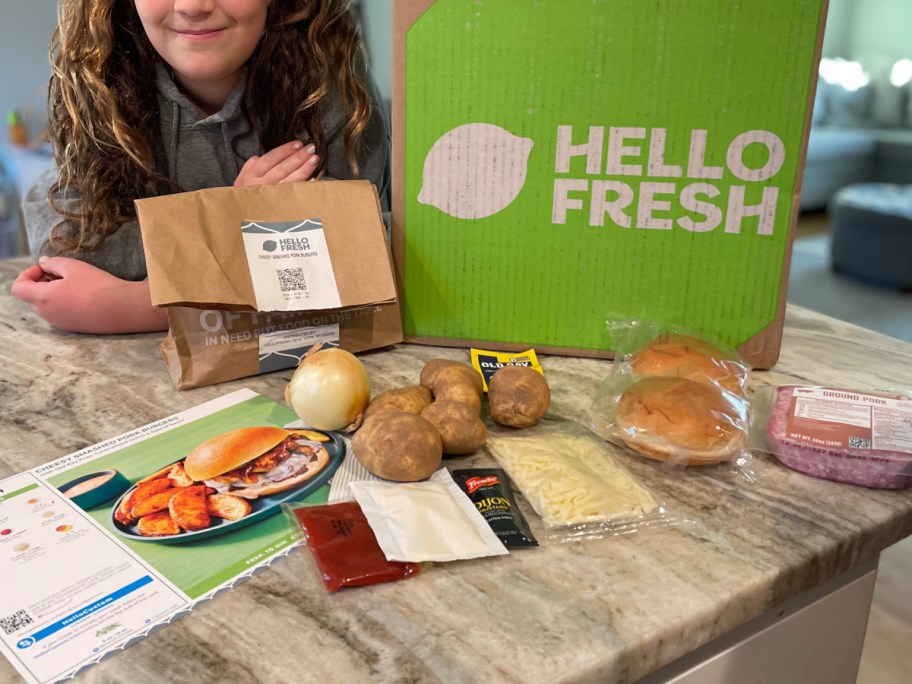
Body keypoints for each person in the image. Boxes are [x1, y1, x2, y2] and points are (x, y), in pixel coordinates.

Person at [12, 0, 390, 334]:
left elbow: (359, 261)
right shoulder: (94, 80)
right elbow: (68, 243)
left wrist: (130, 305)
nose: (193, 6)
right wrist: (240, 222)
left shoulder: (327, 79)